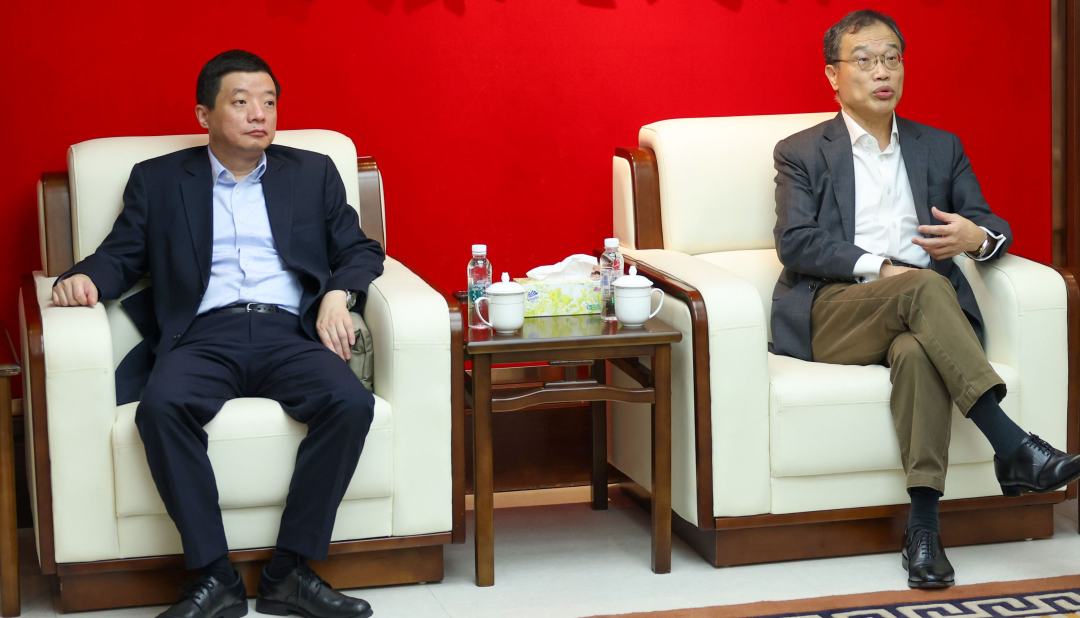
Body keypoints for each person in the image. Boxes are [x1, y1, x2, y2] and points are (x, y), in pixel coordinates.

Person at [52, 50, 382, 618]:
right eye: (242, 102)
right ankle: (213, 576)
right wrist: (82, 279)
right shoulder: (158, 180)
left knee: (350, 402)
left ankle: (290, 573)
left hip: (288, 331)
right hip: (203, 334)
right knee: (161, 408)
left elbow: (359, 249)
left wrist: (337, 293)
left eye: (269, 102)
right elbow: (121, 256)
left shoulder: (312, 172)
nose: (259, 114)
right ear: (204, 115)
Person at [770, 10, 1080, 589]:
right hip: (837, 309)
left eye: (892, 58)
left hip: (923, 313)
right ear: (833, 76)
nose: (881, 71)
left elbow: (991, 224)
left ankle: (924, 532)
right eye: (865, 60)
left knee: (918, 351)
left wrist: (975, 237)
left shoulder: (939, 147)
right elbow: (796, 241)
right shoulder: (802, 152)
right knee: (921, 284)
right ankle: (1012, 445)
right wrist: (882, 267)